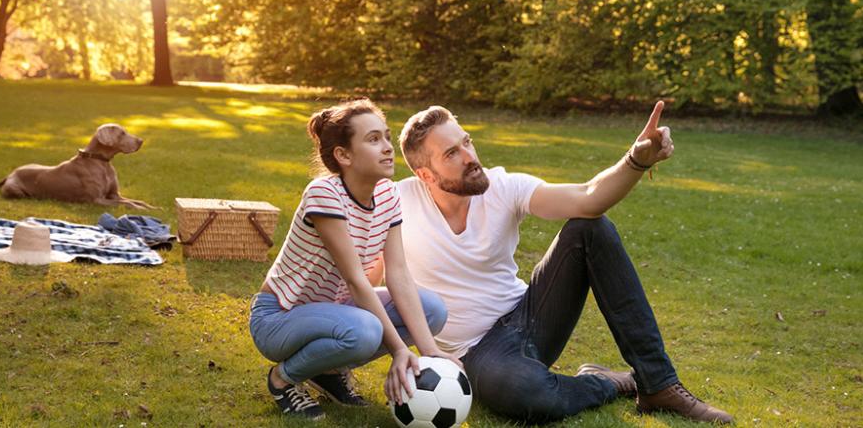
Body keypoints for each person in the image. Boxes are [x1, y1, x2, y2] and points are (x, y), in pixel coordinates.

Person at [395, 102, 734, 424]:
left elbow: (588, 197)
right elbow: (371, 277)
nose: (470, 157)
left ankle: (658, 384)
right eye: (452, 153)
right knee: (524, 392)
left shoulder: (503, 186)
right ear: (426, 175)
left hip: (531, 316)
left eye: (466, 141)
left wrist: (636, 160)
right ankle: (610, 383)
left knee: (590, 226)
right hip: (478, 353)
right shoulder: (399, 203)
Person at [249, 99, 460, 421]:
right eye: (373, 139)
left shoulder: (388, 195)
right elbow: (355, 280)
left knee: (432, 309)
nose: (388, 148)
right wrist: (401, 349)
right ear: (343, 156)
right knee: (364, 330)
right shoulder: (324, 194)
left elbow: (399, 273)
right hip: (278, 319)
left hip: (335, 313)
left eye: (387, 137)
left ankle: (328, 370)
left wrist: (429, 349)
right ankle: (283, 378)